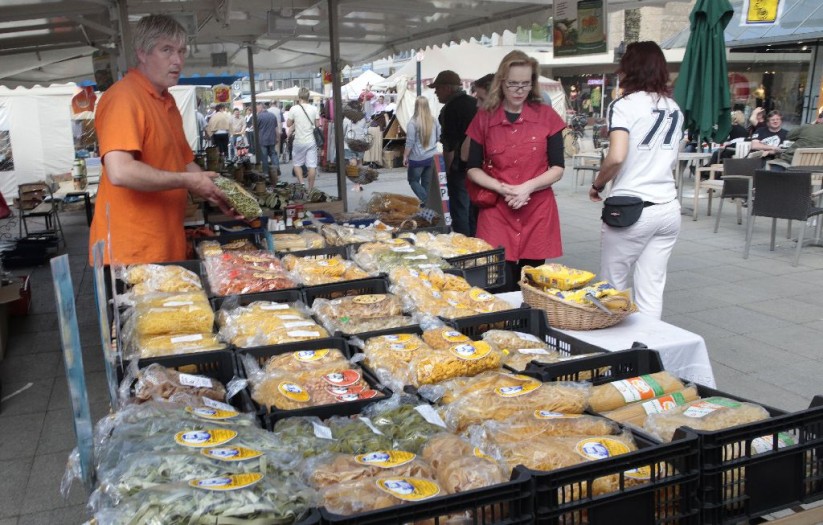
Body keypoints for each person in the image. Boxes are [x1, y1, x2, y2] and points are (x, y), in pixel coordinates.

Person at [88, 14, 236, 265]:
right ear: (142, 53)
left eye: (181, 51)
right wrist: (188, 181)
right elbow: (120, 172)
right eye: (166, 50)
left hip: (164, 245)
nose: (177, 60)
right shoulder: (124, 98)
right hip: (130, 254)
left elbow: (185, 162)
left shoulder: (167, 102)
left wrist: (216, 191)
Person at [588, 41, 683, 320]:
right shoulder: (674, 108)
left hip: (631, 208)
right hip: (668, 207)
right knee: (651, 288)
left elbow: (616, 156)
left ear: (630, 68)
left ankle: (615, 345)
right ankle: (647, 342)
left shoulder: (624, 105)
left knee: (612, 286)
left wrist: (597, 184)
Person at [465, 50, 566, 292]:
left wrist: (527, 188)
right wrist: (502, 188)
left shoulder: (547, 116)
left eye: (525, 84)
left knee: (532, 286)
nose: (519, 90)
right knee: (498, 283)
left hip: (536, 209)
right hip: (497, 209)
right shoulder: (484, 118)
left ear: (532, 83)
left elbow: (558, 168)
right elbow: (472, 168)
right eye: (512, 84)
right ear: (501, 82)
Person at [431, 69, 477, 236]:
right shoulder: (474, 103)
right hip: (478, 166)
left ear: (447, 88)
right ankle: (476, 241)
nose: (435, 92)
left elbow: (449, 145)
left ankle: (463, 242)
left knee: (459, 209)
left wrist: (448, 170)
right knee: (473, 209)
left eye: (437, 88)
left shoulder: (450, 109)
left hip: (459, 167)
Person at [403, 96, 441, 204]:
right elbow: (439, 137)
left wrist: (405, 156)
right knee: (426, 184)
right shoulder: (434, 120)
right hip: (432, 157)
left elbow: (410, 143)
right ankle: (427, 206)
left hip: (417, 158)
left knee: (413, 181)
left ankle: (426, 201)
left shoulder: (412, 123)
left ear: (416, 106)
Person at [287, 87, 320, 190]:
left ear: (299, 97)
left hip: (299, 141)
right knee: (312, 166)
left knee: (297, 164)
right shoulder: (314, 109)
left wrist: (296, 122)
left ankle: (302, 184)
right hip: (311, 141)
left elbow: (288, 124)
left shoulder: (294, 109)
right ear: (308, 97)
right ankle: (310, 189)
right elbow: (317, 125)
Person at [256, 102, 279, 180]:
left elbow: (256, 128)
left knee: (264, 156)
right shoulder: (272, 115)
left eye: (257, 109)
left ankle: (266, 173)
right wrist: (277, 138)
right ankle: (276, 170)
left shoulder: (259, 117)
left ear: (261, 108)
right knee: (273, 154)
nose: (257, 110)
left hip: (263, 140)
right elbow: (276, 128)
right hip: (272, 138)